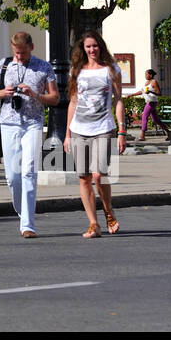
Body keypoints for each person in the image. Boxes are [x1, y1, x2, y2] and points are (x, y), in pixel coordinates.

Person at [0, 31, 58, 238]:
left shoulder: (44, 67)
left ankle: (28, 224)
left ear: (31, 48)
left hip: (33, 123)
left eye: (23, 53)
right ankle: (22, 211)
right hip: (9, 122)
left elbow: (54, 98)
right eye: (17, 53)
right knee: (12, 176)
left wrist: (34, 94)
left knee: (28, 171)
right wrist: (4, 93)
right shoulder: (4, 64)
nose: (19, 57)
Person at [65, 30, 125, 238]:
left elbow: (118, 100)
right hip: (79, 129)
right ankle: (93, 224)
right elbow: (73, 102)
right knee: (84, 177)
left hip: (103, 127)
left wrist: (122, 131)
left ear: (101, 46)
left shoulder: (111, 70)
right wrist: (67, 134)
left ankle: (109, 211)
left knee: (99, 175)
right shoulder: (77, 70)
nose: (92, 50)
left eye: (95, 46)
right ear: (83, 49)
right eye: (88, 46)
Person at [124, 69, 168, 139]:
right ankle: (168, 132)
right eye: (145, 74)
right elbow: (141, 92)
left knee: (144, 116)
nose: (145, 76)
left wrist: (150, 91)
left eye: (146, 74)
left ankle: (142, 135)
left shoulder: (154, 82)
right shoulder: (146, 82)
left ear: (150, 75)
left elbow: (159, 93)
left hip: (152, 102)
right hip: (148, 102)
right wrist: (131, 95)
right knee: (155, 119)